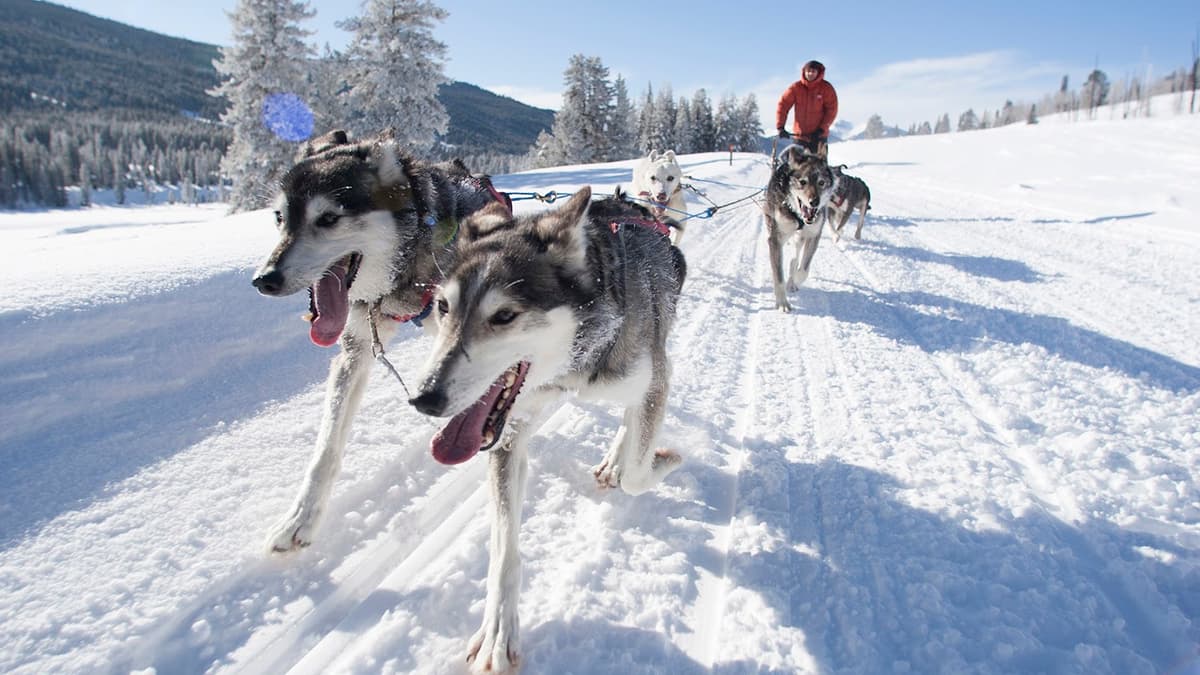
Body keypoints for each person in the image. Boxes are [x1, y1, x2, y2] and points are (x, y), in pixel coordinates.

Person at [776, 60, 838, 159]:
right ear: (804, 72)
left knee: (819, 170)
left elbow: (832, 111)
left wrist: (821, 129)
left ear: (818, 73)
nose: (810, 74)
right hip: (800, 137)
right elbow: (783, 105)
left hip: (819, 137)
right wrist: (780, 127)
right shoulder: (796, 88)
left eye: (813, 71)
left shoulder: (826, 89)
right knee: (797, 169)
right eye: (808, 71)